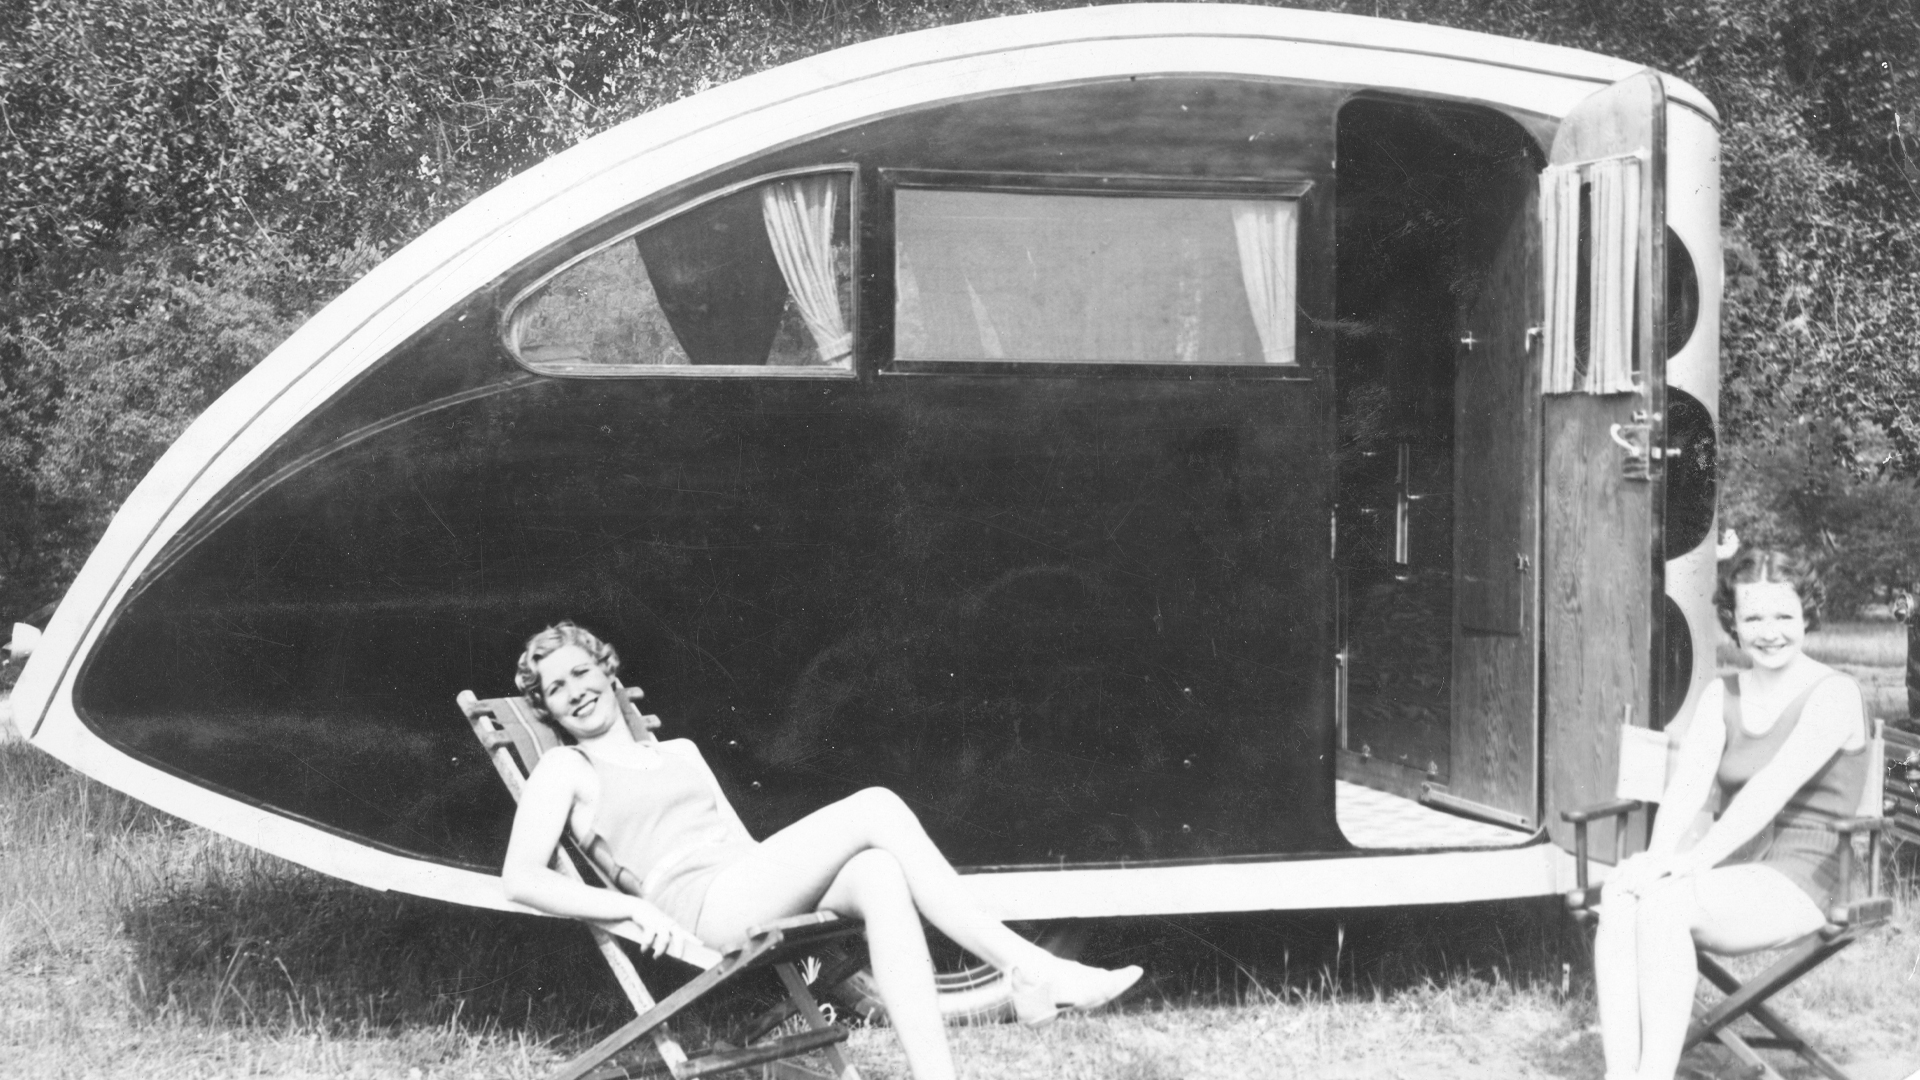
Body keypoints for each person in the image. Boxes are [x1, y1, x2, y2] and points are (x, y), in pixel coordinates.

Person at [501, 621, 1142, 1080]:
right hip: (697, 911)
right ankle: (1030, 968)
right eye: (556, 689)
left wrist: (791, 872)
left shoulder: (681, 752)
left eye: (582, 672)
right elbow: (521, 877)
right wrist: (630, 912)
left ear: (609, 672)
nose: (575, 690)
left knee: (879, 869)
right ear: (547, 708)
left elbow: (747, 847)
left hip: (744, 882)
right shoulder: (566, 770)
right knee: (878, 806)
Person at [1595, 549, 1870, 1080]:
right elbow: (1688, 786)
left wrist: (1691, 864)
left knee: (1664, 907)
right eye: (1754, 618)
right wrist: (1657, 858)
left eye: (1784, 616)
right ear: (1734, 624)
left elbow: (1771, 787)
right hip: (1740, 865)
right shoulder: (1723, 693)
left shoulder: (1836, 693)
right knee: (1622, 893)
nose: (1770, 633)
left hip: (1810, 877)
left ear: (1807, 614)